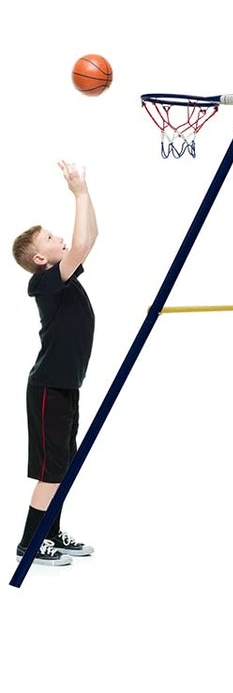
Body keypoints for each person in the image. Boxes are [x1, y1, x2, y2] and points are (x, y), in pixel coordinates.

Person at [13, 161, 98, 567]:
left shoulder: (61, 278)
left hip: (65, 386)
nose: (60, 237)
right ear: (40, 259)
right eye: (50, 238)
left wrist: (86, 194)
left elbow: (89, 238)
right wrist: (77, 194)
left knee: (63, 466)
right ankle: (29, 544)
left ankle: (51, 534)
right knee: (51, 470)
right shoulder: (44, 283)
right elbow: (80, 246)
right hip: (48, 388)